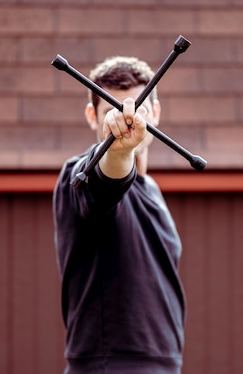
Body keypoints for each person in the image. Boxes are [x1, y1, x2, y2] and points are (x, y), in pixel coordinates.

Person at [53, 56, 186, 374]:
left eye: (138, 111)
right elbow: (105, 181)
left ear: (156, 112)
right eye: (113, 113)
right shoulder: (79, 176)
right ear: (91, 116)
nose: (128, 122)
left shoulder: (150, 189)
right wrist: (118, 150)